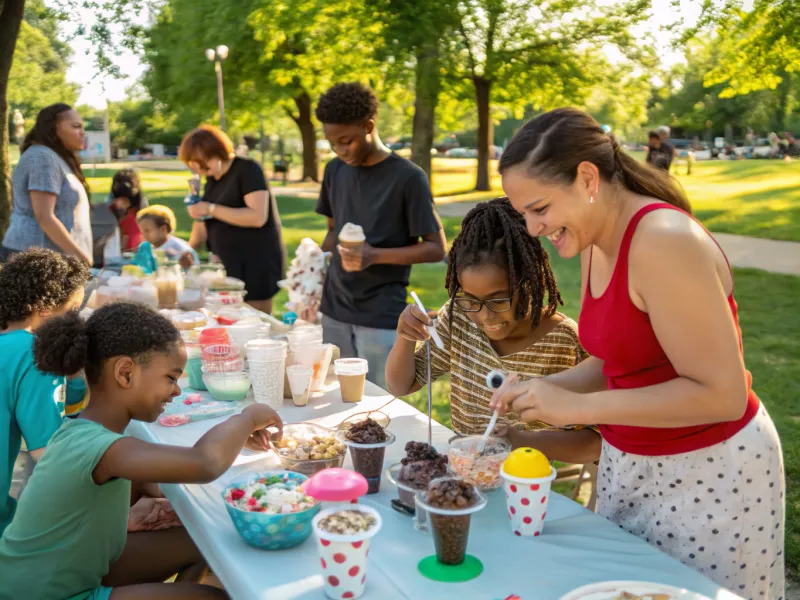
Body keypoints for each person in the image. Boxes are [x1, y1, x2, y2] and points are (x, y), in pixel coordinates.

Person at [493, 108, 784, 598]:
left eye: (539, 208)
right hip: (632, 466)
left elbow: (722, 395)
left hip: (709, 473)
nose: (533, 228)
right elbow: (620, 359)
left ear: (587, 177)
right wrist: (546, 390)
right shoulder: (592, 241)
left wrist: (580, 409)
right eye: (524, 213)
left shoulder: (663, 241)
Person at [0, 302, 283, 599]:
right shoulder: (103, 448)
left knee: (203, 538)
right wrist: (246, 418)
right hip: (41, 594)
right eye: (171, 378)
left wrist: (235, 437)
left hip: (58, 572)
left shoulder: (83, 432)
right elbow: (205, 462)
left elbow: (155, 475)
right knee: (214, 596)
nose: (176, 390)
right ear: (125, 373)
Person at [385, 199, 598, 464]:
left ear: (531, 283)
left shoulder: (563, 340)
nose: (485, 316)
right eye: (471, 300)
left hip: (523, 484)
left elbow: (594, 442)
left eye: (498, 300)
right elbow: (402, 384)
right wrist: (405, 336)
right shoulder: (460, 318)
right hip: (464, 474)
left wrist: (520, 441)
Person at [315, 82, 446, 389]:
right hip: (334, 307)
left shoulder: (408, 177)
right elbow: (333, 232)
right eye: (332, 144)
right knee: (335, 399)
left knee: (378, 405)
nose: (339, 151)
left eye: (346, 141)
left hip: (381, 313)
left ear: (368, 126)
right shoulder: (334, 170)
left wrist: (374, 255)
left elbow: (435, 248)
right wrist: (312, 262)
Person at [0, 249, 91, 535]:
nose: (76, 321)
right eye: (72, 311)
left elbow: (69, 402)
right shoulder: (31, 354)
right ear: (44, 308)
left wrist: (72, 371)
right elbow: (50, 456)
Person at [179, 125, 284, 314]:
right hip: (227, 265)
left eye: (201, 161)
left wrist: (211, 208)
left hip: (255, 263)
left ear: (216, 152)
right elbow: (204, 221)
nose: (197, 168)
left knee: (255, 320)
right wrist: (189, 249)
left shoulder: (247, 170)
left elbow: (258, 216)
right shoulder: (212, 179)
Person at [1, 103, 92, 264]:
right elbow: (45, 216)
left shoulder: (54, 156)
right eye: (76, 126)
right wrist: (80, 258)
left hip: (50, 259)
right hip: (34, 261)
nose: (82, 132)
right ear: (55, 128)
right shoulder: (42, 157)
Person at [135, 205, 199, 272]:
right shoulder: (145, 247)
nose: (143, 235)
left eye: (147, 231)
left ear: (163, 229)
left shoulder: (180, 249)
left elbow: (192, 272)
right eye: (141, 231)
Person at [108, 169, 147, 252]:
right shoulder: (110, 209)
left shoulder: (140, 210)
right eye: (119, 199)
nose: (121, 204)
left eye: (126, 201)